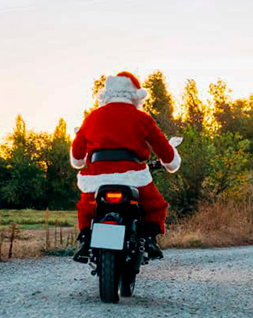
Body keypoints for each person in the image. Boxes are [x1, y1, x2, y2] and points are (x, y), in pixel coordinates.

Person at [70, 71, 181, 262]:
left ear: (106, 95)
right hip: (133, 176)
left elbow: (77, 156)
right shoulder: (142, 118)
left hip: (96, 177)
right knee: (154, 205)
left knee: (86, 206)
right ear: (136, 96)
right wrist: (171, 161)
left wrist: (81, 161)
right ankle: (149, 240)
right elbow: (164, 151)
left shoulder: (92, 117)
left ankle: (85, 240)